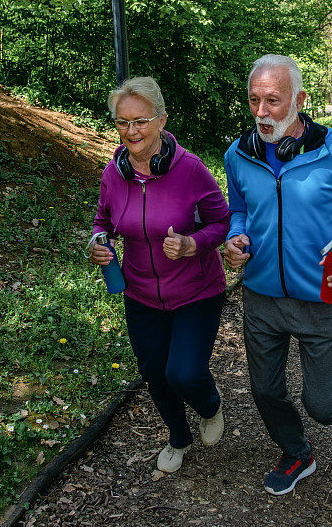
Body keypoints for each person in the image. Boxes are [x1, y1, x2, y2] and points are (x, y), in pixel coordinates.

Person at [223, 54, 332, 495]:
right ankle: (298, 453)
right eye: (254, 100)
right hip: (260, 299)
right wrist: (236, 237)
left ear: (299, 100)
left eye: (274, 101)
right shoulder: (237, 155)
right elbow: (239, 210)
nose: (262, 112)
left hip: (322, 298)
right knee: (265, 390)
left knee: (319, 403)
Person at [90, 76, 230, 473]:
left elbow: (222, 223)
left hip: (196, 290)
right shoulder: (113, 173)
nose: (131, 131)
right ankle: (178, 437)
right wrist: (98, 242)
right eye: (122, 122)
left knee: (184, 374)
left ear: (161, 121)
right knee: (155, 373)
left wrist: (192, 244)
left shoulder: (190, 169)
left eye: (141, 121)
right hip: (140, 294)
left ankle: (211, 405)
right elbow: (103, 220)